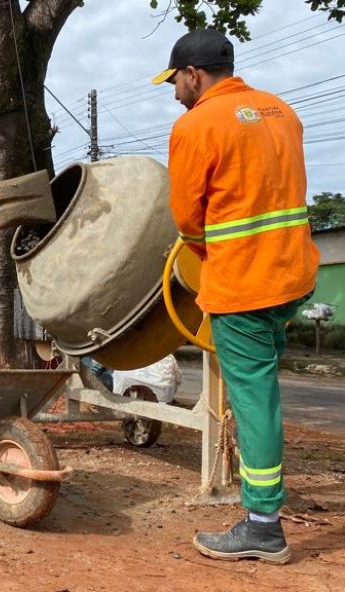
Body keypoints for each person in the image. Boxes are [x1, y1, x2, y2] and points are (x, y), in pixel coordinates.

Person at [153, 29, 319, 564]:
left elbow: (186, 218)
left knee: (254, 400)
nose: (175, 90)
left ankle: (263, 525)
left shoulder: (196, 124)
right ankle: (262, 514)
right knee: (261, 387)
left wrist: (208, 252)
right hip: (292, 277)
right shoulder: (280, 112)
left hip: (244, 284)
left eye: (175, 80)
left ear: (194, 74)